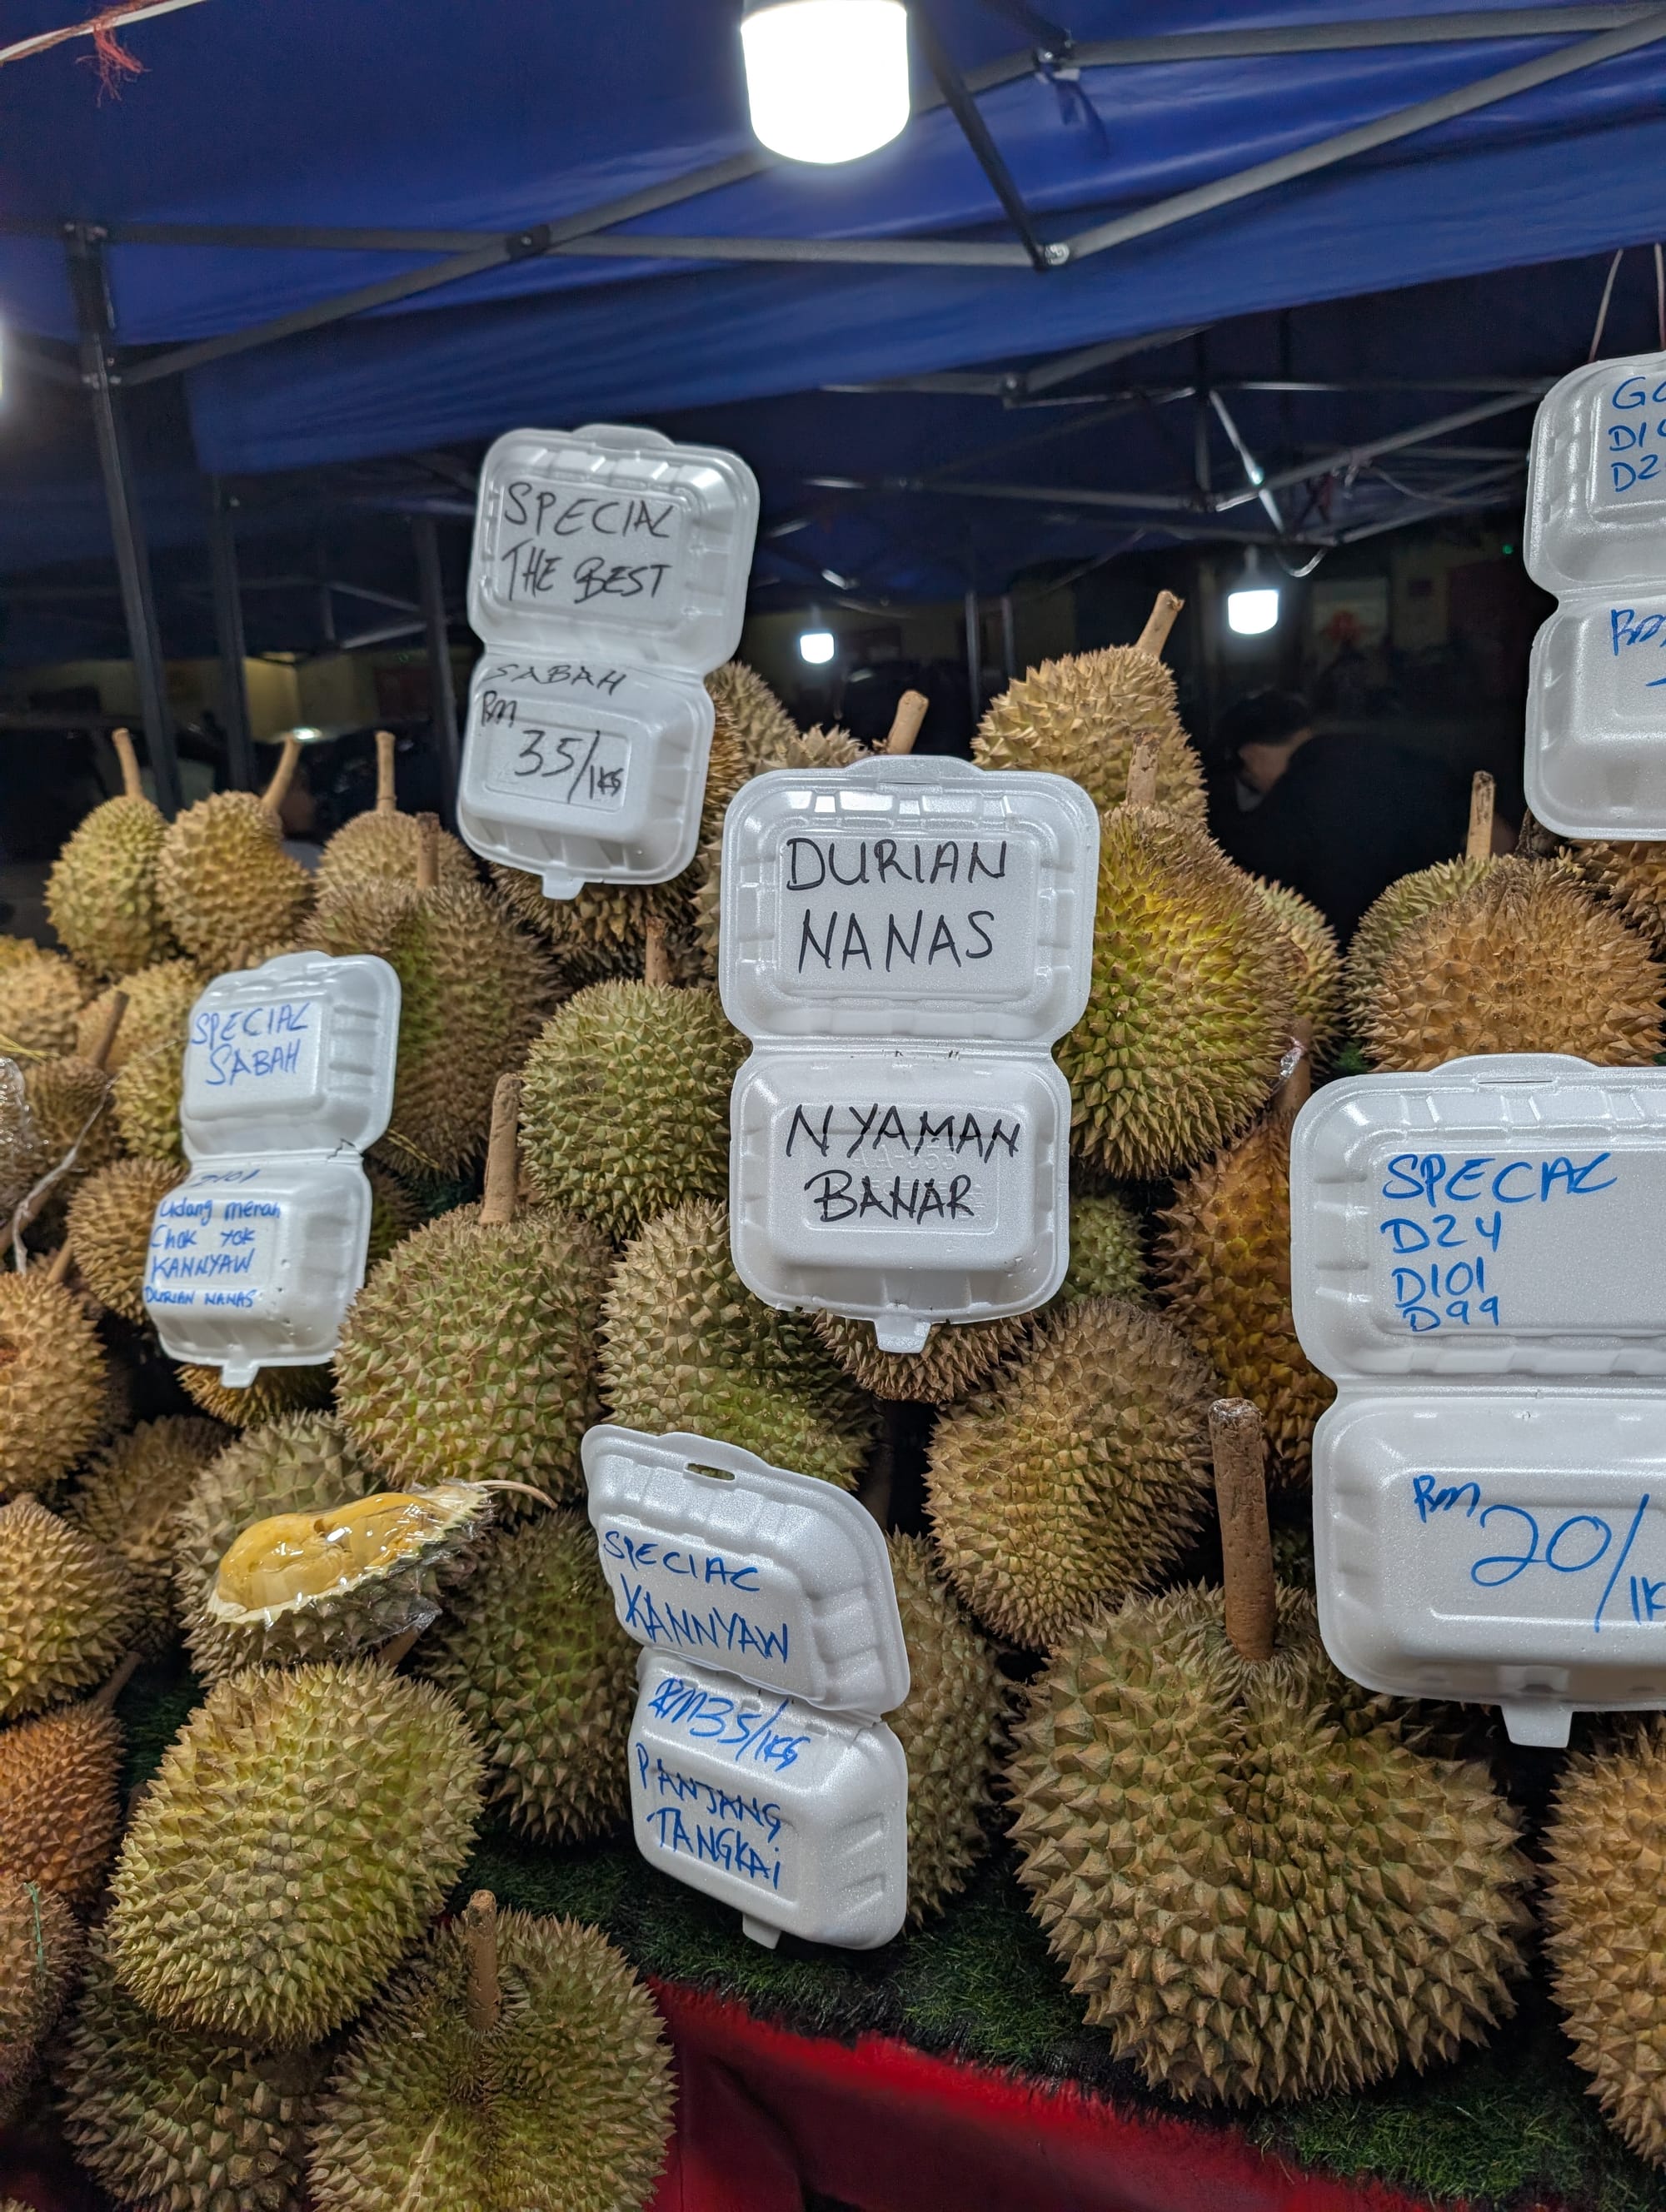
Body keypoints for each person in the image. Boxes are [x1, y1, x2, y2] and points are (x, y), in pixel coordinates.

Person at [1208, 689, 1489, 944]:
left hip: (1361, 960)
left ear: (1249, 756)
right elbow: (1491, 831)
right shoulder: (1398, 756)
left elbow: (1247, 881)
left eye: (1250, 780)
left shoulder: (1291, 794)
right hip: (1449, 944)